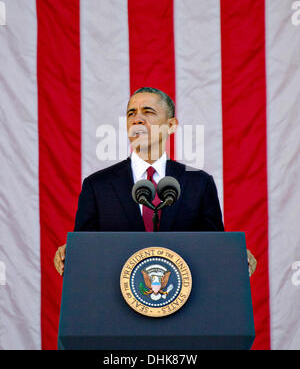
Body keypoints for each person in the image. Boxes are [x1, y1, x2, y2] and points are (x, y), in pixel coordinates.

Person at [54, 87, 257, 276]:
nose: (137, 119)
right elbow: (85, 249)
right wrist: (71, 253)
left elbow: (214, 249)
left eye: (148, 112)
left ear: (171, 125)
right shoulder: (97, 185)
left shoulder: (199, 183)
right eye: (131, 113)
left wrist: (234, 255)